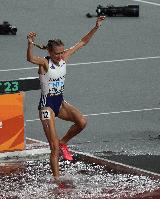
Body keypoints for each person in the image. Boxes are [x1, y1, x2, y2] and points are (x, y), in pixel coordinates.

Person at [26, 16, 106, 181]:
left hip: (60, 103)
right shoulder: (45, 63)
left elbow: (82, 42)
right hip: (46, 107)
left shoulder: (64, 58)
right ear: (49, 52)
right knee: (53, 148)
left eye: (62, 52)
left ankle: (64, 142)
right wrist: (29, 43)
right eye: (57, 53)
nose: (61, 55)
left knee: (82, 122)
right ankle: (57, 182)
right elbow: (30, 58)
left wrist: (96, 27)